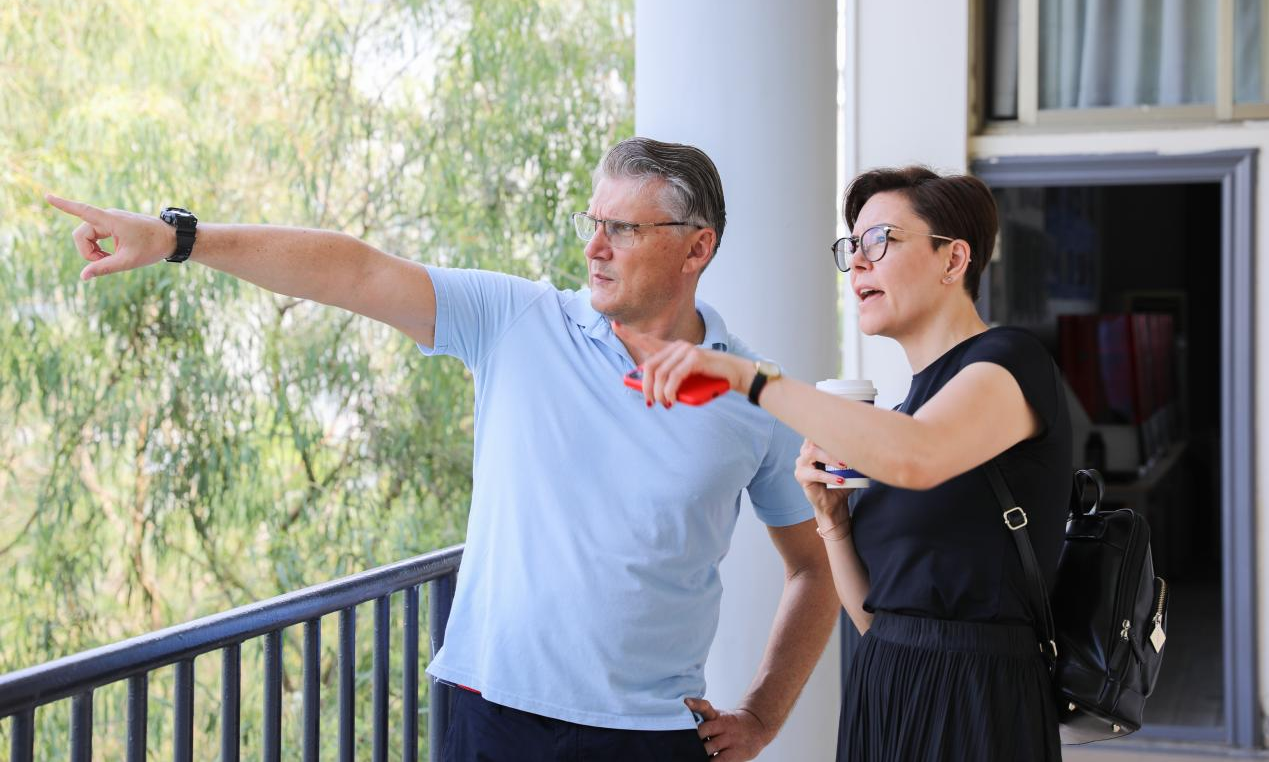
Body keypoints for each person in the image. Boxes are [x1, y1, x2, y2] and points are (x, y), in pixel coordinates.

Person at [47, 137, 839, 762]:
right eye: (591, 223)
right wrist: (177, 238)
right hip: (492, 718)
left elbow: (814, 566)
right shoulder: (518, 321)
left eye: (623, 229)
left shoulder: (757, 397)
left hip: (651, 735)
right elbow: (353, 270)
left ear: (695, 249)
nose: (594, 247)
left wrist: (762, 715)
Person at [618, 166, 1072, 761]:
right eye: (851, 245)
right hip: (886, 690)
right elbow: (875, 619)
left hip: (980, 701)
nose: (856, 261)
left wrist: (748, 378)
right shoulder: (906, 410)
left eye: (880, 240)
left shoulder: (1012, 361)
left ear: (954, 259)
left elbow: (919, 454)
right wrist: (832, 520)